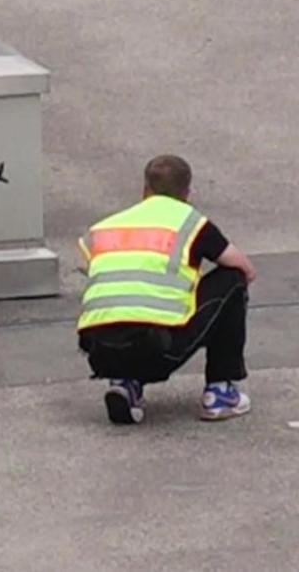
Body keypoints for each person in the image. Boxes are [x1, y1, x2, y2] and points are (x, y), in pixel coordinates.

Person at [77, 155, 256, 424]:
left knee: (127, 305)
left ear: (144, 190)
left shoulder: (105, 228)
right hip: (158, 350)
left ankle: (126, 384)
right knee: (233, 280)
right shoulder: (190, 222)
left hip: (100, 352)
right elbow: (244, 267)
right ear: (187, 193)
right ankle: (221, 392)